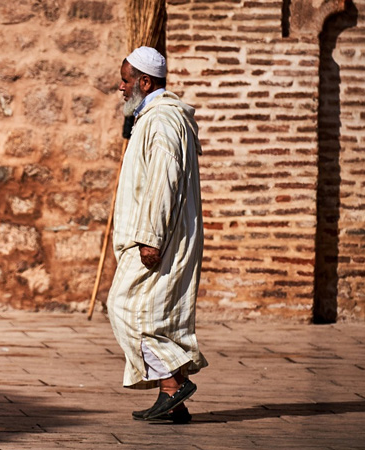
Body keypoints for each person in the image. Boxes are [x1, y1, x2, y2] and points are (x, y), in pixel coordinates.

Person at [106, 46, 208, 423]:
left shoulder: (162, 120)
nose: (120, 86)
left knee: (124, 308)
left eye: (126, 79)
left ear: (144, 81)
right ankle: (174, 404)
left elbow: (163, 183)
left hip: (157, 236)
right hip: (162, 233)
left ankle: (172, 385)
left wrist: (151, 238)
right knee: (152, 314)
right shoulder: (152, 117)